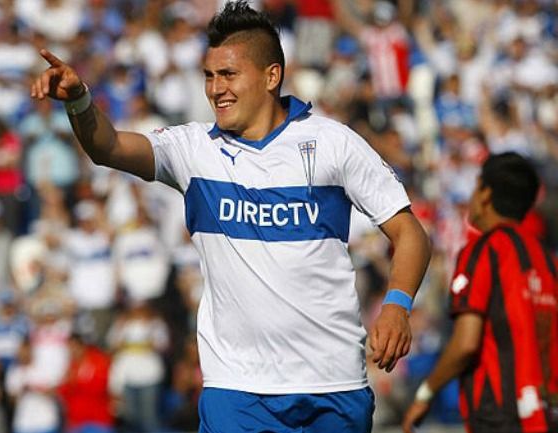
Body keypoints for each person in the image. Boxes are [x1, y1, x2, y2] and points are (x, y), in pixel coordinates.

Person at [31, 1, 430, 431]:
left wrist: (396, 305)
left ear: (271, 76)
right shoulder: (193, 150)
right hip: (237, 389)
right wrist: (78, 100)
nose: (215, 88)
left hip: (332, 381)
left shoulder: (334, 143)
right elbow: (106, 147)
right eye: (209, 75)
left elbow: (409, 233)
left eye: (229, 74)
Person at [402, 153, 558, 433]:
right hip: (545, 412)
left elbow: (466, 342)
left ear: (485, 194)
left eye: (475, 187)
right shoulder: (546, 260)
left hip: (499, 414)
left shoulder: (483, 252)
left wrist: (426, 392)